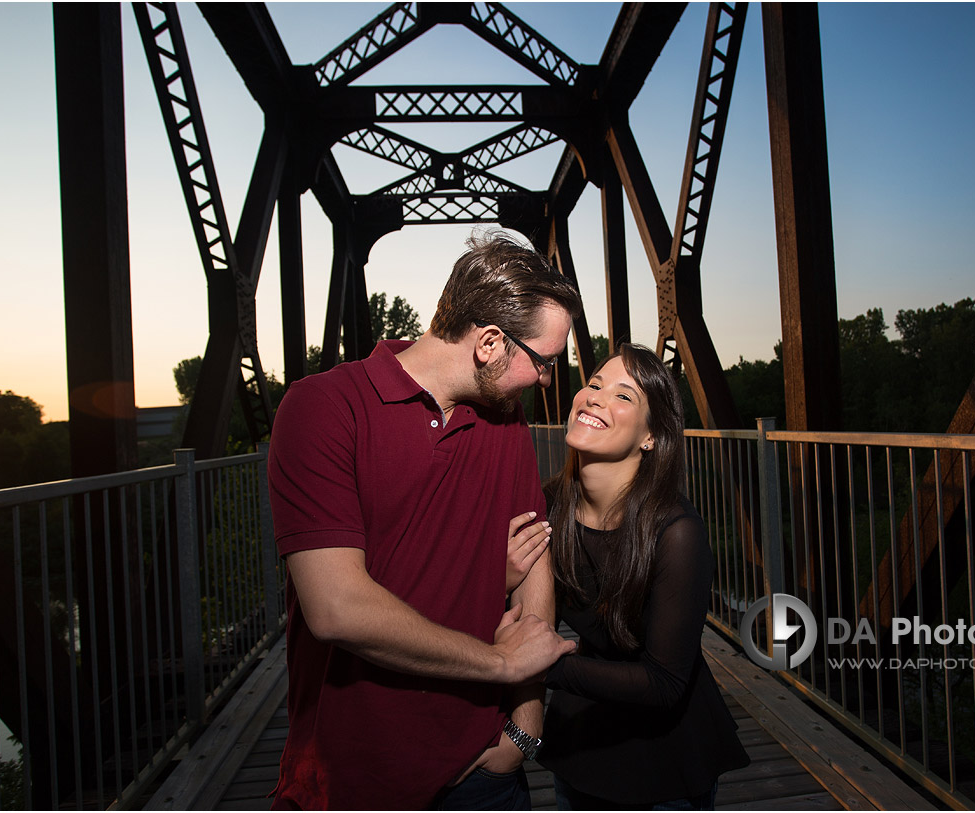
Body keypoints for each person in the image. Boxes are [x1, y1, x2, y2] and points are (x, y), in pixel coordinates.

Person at [267, 232, 582, 810]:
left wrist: (525, 725)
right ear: (490, 343)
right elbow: (337, 609)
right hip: (355, 779)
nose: (545, 381)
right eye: (544, 363)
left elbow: (534, 552)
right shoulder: (322, 409)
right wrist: (501, 662)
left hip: (485, 770)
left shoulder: (504, 420)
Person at [520, 343, 750, 809]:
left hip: (664, 763)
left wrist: (544, 665)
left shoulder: (676, 533)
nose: (596, 397)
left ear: (650, 437)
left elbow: (664, 683)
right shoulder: (549, 508)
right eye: (594, 383)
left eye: (625, 396)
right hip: (582, 744)